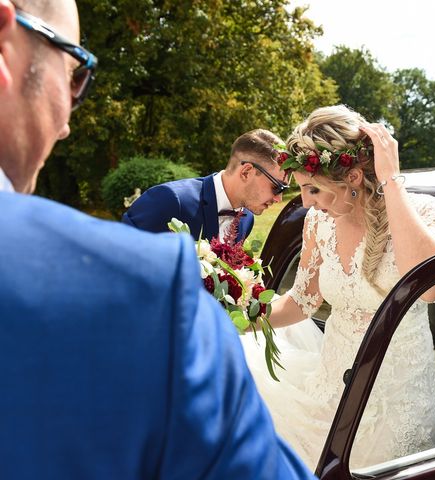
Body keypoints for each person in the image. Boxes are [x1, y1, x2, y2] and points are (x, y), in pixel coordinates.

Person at [0, 1, 315, 478]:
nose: (67, 122)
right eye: (75, 72)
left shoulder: (246, 223)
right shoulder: (164, 227)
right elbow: (110, 288)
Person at [241, 105, 435, 469]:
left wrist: (390, 181)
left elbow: (430, 288)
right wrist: (247, 318)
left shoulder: (427, 212)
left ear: (354, 178)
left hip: (396, 396)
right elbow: (302, 302)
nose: (306, 202)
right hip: (332, 389)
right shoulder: (317, 223)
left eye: (313, 190)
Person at [122, 129, 289, 242]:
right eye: (277, 187)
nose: (278, 198)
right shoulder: (171, 200)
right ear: (246, 172)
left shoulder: (247, 220)